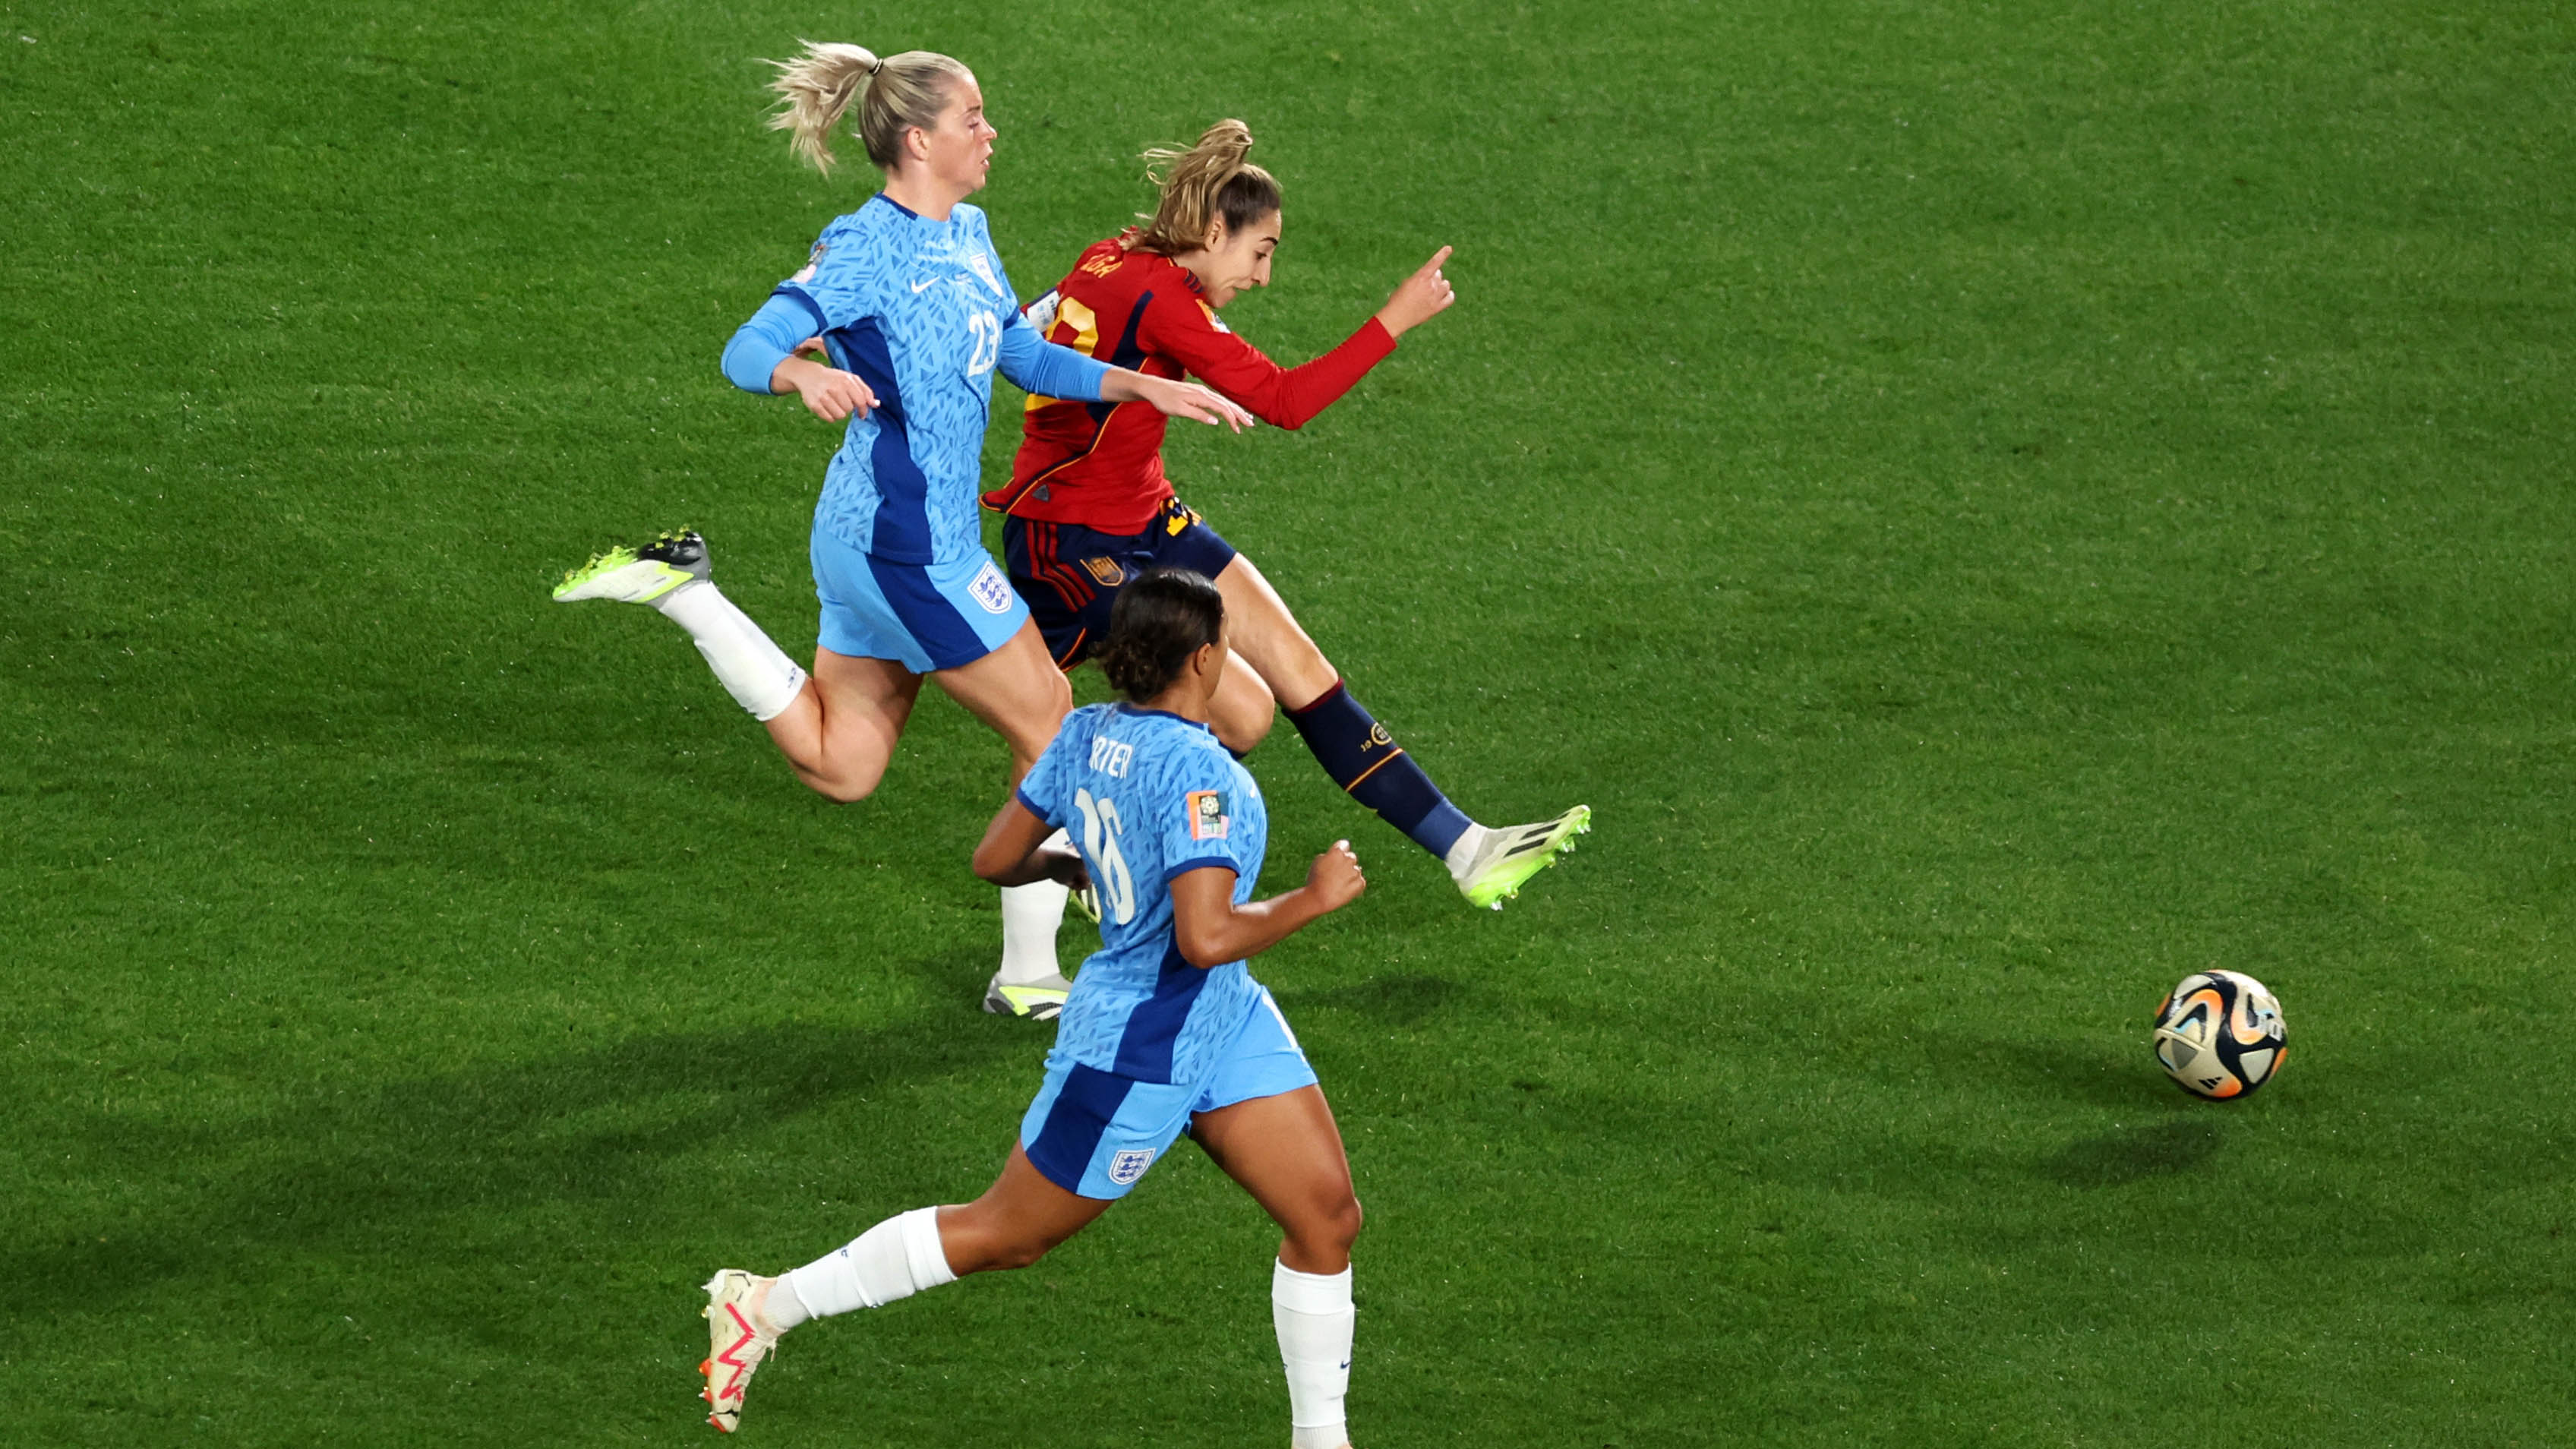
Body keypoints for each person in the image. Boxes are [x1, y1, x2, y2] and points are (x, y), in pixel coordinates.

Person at [551, 44, 1251, 1002]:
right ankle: (1047, 959)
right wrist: (801, 371)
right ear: (919, 140)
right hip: (906, 544)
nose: (990, 131)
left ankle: (688, 592)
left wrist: (1134, 386)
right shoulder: (865, 247)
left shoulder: (967, 232)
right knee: (1049, 718)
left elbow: (1018, 353)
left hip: (876, 542)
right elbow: (745, 346)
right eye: (973, 119)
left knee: (844, 767)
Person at [698, 570, 1372, 1447]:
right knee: (1002, 1234)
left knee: (1325, 1217)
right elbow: (1205, 936)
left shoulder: (1083, 733)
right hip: (1141, 1040)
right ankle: (766, 1304)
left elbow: (995, 858)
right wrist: (1311, 900)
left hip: (1222, 1017)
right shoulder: (1208, 779)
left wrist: (1077, 866)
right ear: (1205, 659)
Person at [990, 119, 1587, 984]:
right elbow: (1283, 400)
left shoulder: (1111, 255)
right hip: (1065, 538)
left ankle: (1465, 846)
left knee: (1284, 682)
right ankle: (1063, 910)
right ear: (1210, 233)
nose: (1263, 276)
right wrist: (1394, 319)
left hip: (1145, 518)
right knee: (1184, 716)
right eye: (1259, 253)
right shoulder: (1165, 300)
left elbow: (1023, 325)